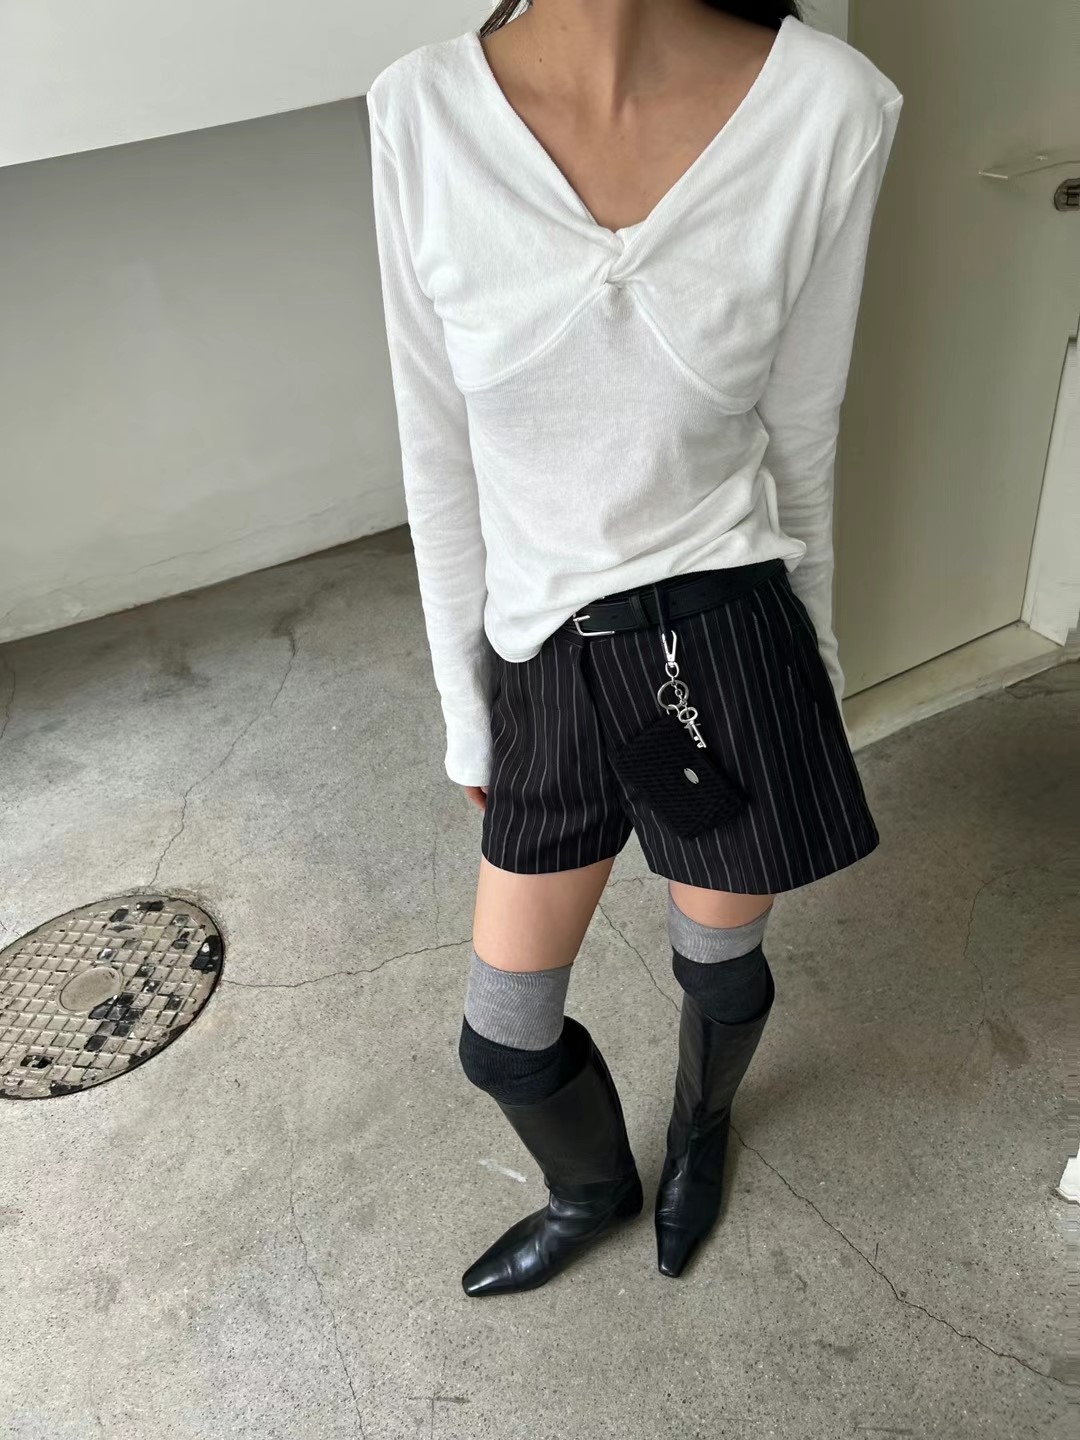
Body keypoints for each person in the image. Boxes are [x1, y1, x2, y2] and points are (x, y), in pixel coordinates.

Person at [366, 0, 902, 1297]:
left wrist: (817, 667)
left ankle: (702, 1132)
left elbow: (804, 434)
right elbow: (436, 457)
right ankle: (592, 1188)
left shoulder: (828, 105)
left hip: (724, 641)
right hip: (546, 654)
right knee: (503, 1037)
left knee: (719, 967)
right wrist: (466, 707)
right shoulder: (422, 110)